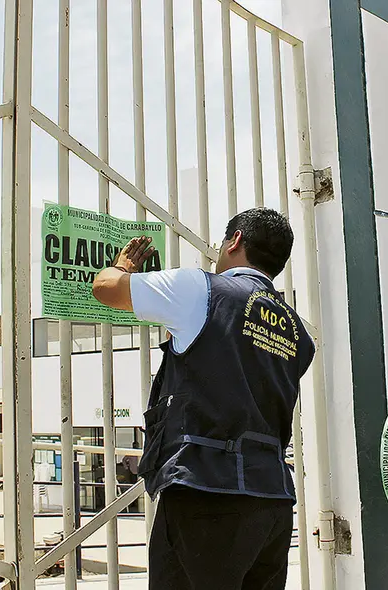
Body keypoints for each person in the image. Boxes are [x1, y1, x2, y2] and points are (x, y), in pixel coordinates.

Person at [92, 208, 315, 590]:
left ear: (236, 240)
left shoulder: (203, 289)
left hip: (206, 493)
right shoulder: (297, 333)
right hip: (273, 499)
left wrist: (123, 266)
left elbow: (106, 288)